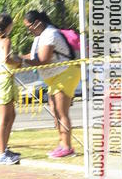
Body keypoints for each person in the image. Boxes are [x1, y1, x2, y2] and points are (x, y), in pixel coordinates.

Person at [23, 10, 81, 158]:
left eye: (29, 26)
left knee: (62, 112)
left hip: (66, 73)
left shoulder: (50, 34)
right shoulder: (39, 37)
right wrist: (18, 58)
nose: (28, 30)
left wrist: (21, 61)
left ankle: (67, 147)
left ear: (37, 23)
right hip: (55, 77)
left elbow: (43, 60)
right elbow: (33, 55)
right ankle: (62, 144)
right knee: (55, 112)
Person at [0, 14, 23, 164]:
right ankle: (1, 153)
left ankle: (4, 148)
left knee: (11, 115)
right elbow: (7, 59)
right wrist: (19, 61)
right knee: (4, 119)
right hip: (4, 80)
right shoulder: (6, 41)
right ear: (8, 26)